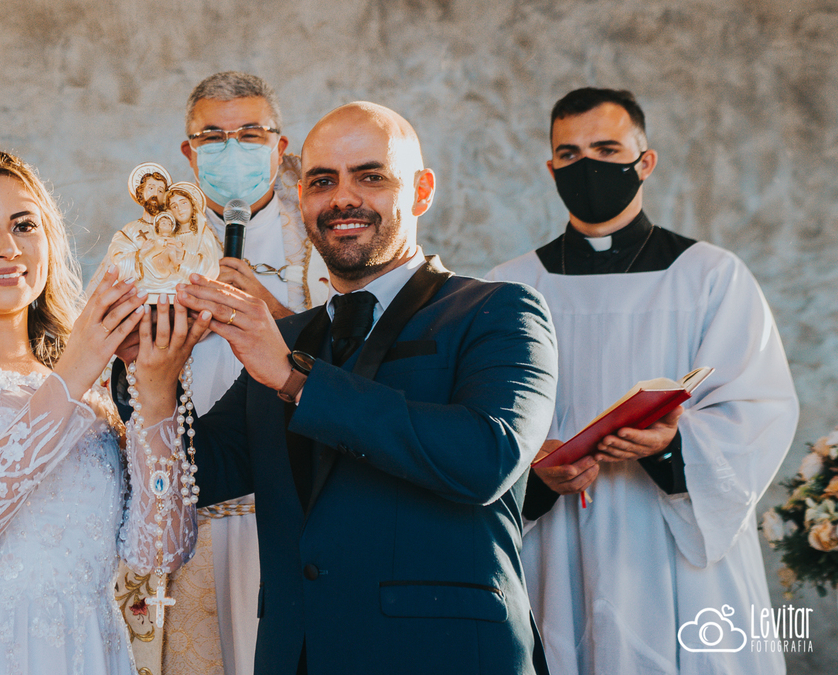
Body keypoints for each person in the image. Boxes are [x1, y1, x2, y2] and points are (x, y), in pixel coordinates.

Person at [161, 102, 558, 674]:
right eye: (322, 181)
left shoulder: (498, 311)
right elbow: (201, 471)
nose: (343, 198)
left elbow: (484, 458)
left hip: (445, 658)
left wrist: (297, 380)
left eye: (370, 176)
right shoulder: (290, 337)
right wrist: (151, 370)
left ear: (421, 192)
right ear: (302, 202)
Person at [488, 88, 799, 675]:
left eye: (607, 148)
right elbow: (486, 419)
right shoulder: (511, 288)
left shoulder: (710, 277)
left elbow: (757, 409)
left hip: (672, 549)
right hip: (557, 544)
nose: (588, 167)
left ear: (644, 161)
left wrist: (675, 445)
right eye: (570, 154)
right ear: (551, 168)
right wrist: (535, 474)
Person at [0, 149, 205, 674]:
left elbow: (160, 552)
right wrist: (71, 374)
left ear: (47, 242)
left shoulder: (97, 395)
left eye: (24, 225)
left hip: (88, 653)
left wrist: (156, 394)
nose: (7, 247)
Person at [114, 72, 323, 675]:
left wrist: (276, 317)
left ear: (279, 147)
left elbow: (353, 366)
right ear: (188, 152)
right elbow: (117, 384)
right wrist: (146, 352)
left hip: (291, 516)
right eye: (213, 136)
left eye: (251, 133)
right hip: (187, 517)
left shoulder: (325, 243)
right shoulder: (146, 245)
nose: (233, 149)